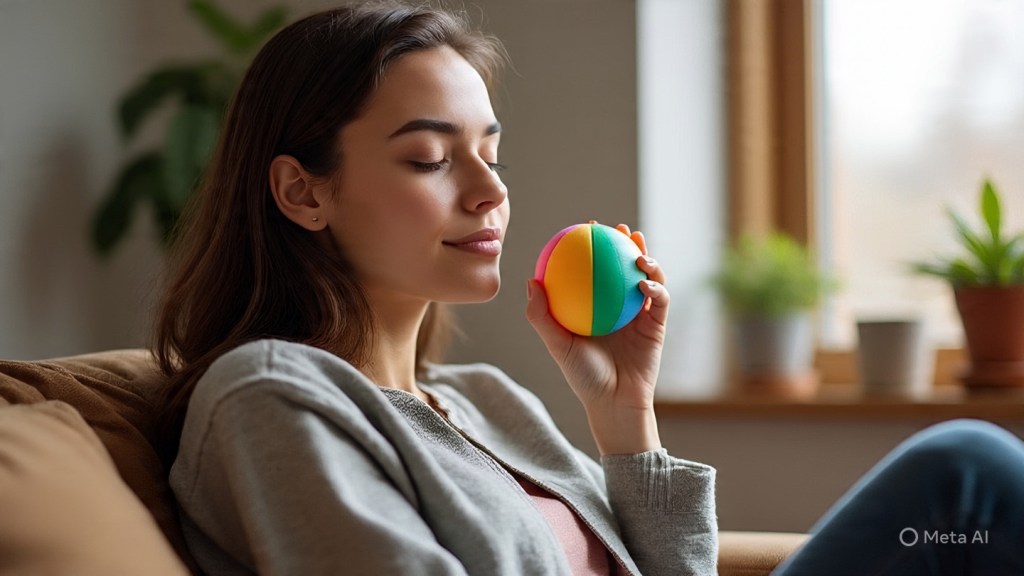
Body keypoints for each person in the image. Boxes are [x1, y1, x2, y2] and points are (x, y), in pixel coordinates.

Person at [153, 3, 1024, 575]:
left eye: (490, 154)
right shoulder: (269, 397)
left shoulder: (483, 402)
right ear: (304, 191)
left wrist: (624, 418)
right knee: (964, 474)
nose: (490, 191)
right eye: (429, 158)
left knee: (964, 484)